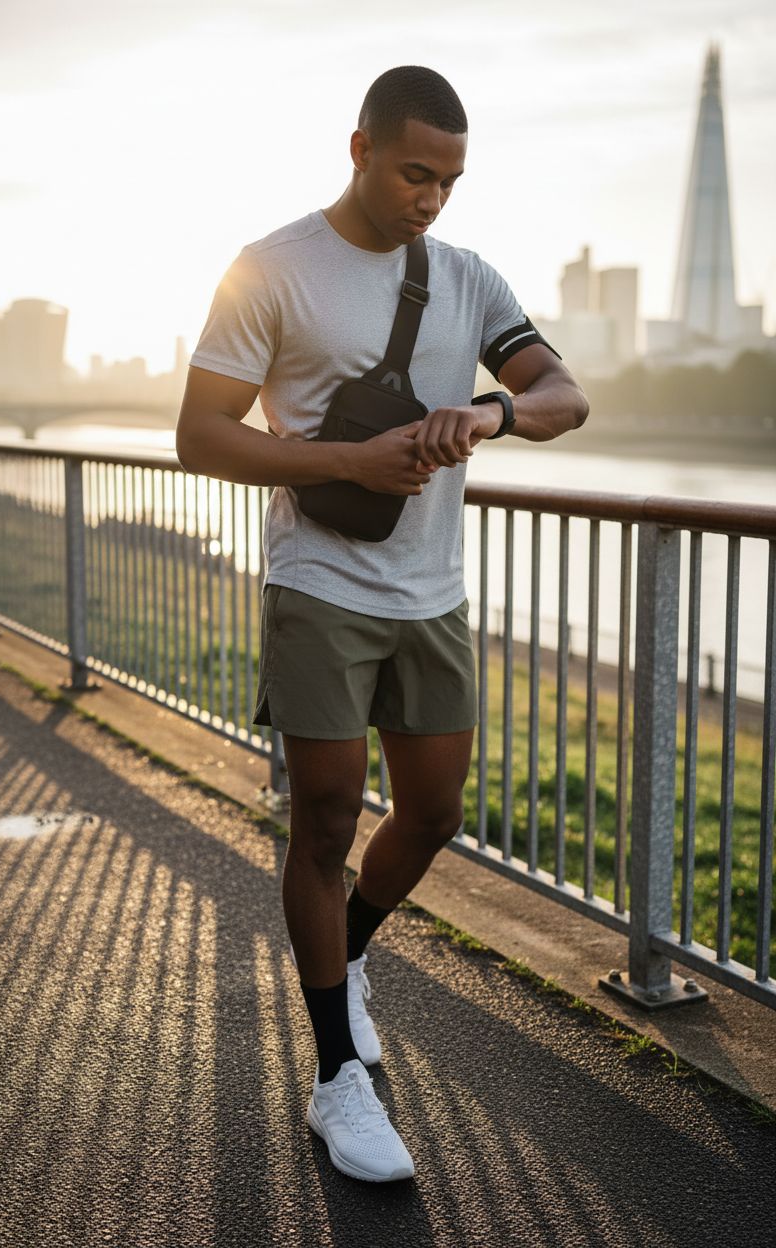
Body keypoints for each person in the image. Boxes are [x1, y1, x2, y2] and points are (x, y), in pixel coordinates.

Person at [176, 65, 588, 1183]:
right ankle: (333, 1082)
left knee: (433, 815)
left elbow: (565, 395)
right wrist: (346, 459)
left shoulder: (464, 277)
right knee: (320, 821)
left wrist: (494, 411)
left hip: (432, 593)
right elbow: (200, 436)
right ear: (357, 147)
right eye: (415, 172)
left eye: (450, 179)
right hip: (318, 581)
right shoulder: (273, 269)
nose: (432, 198)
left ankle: (344, 955)